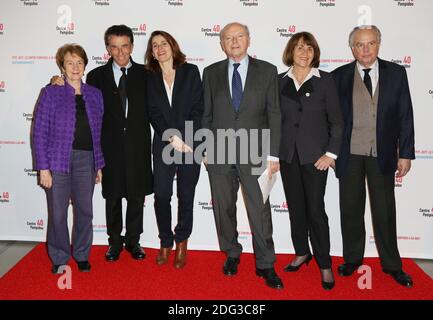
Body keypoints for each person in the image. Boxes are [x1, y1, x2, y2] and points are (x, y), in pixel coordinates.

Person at [332, 25, 415, 287]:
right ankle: (353, 259)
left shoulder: (396, 73)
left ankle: (392, 265)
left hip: (383, 154)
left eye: (370, 43)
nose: (365, 50)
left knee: (385, 211)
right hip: (349, 154)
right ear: (352, 47)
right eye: (359, 44)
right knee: (350, 209)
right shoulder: (339, 76)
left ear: (379, 44)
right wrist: (331, 151)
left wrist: (407, 153)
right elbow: (331, 120)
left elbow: (405, 114)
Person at [202, 22, 283, 289]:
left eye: (239, 36)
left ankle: (265, 263)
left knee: (259, 210)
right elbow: (207, 114)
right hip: (219, 151)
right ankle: (232, 254)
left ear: (248, 40)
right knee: (223, 209)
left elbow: (274, 113)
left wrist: (273, 154)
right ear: (221, 43)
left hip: (256, 152)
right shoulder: (211, 73)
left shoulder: (268, 71)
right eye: (228, 38)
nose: (234, 41)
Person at [278, 32, 343, 290]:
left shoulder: (326, 81)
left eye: (309, 49)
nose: (305, 53)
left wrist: (331, 154)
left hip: (316, 158)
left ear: (315, 53)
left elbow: (337, 121)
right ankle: (302, 252)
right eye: (299, 48)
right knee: (296, 208)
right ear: (291, 52)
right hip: (288, 156)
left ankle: (325, 264)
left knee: (315, 210)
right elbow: (274, 121)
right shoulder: (279, 82)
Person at [33, 44, 104, 273]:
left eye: (79, 62)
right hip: (57, 161)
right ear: (61, 67)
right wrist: (43, 168)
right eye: (69, 62)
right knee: (58, 212)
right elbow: (39, 131)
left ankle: (82, 253)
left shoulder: (95, 94)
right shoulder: (50, 92)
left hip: (87, 161)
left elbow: (98, 132)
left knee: (85, 210)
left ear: (85, 66)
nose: (75, 67)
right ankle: (60, 257)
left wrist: (98, 164)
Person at [145, 30, 203, 268]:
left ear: (173, 46)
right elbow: (153, 112)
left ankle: (182, 242)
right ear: (152, 52)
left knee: (186, 195)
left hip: (191, 143)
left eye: (164, 43)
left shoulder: (190, 72)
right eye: (155, 45)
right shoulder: (149, 77)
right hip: (163, 143)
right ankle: (165, 242)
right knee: (161, 195)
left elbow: (198, 108)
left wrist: (185, 139)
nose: (160, 48)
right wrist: (171, 137)